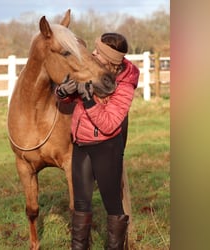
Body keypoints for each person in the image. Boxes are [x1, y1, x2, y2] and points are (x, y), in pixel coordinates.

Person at [55, 33, 139, 249]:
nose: (93, 54)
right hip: (81, 145)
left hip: (106, 149)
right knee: (81, 206)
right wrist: (64, 92)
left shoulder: (125, 85)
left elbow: (110, 124)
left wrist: (88, 100)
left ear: (110, 60)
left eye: (98, 52)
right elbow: (69, 98)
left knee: (112, 207)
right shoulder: (92, 70)